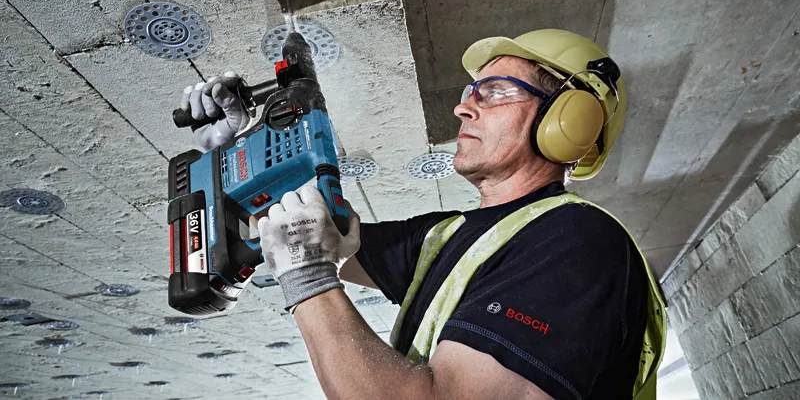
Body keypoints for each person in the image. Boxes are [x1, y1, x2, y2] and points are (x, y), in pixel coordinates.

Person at [182, 29, 666, 400]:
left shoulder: (578, 244)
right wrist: (238, 158)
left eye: (495, 91)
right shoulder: (449, 236)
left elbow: (306, 255)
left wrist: (306, 276)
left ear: (568, 122)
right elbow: (307, 231)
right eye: (471, 90)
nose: (463, 107)